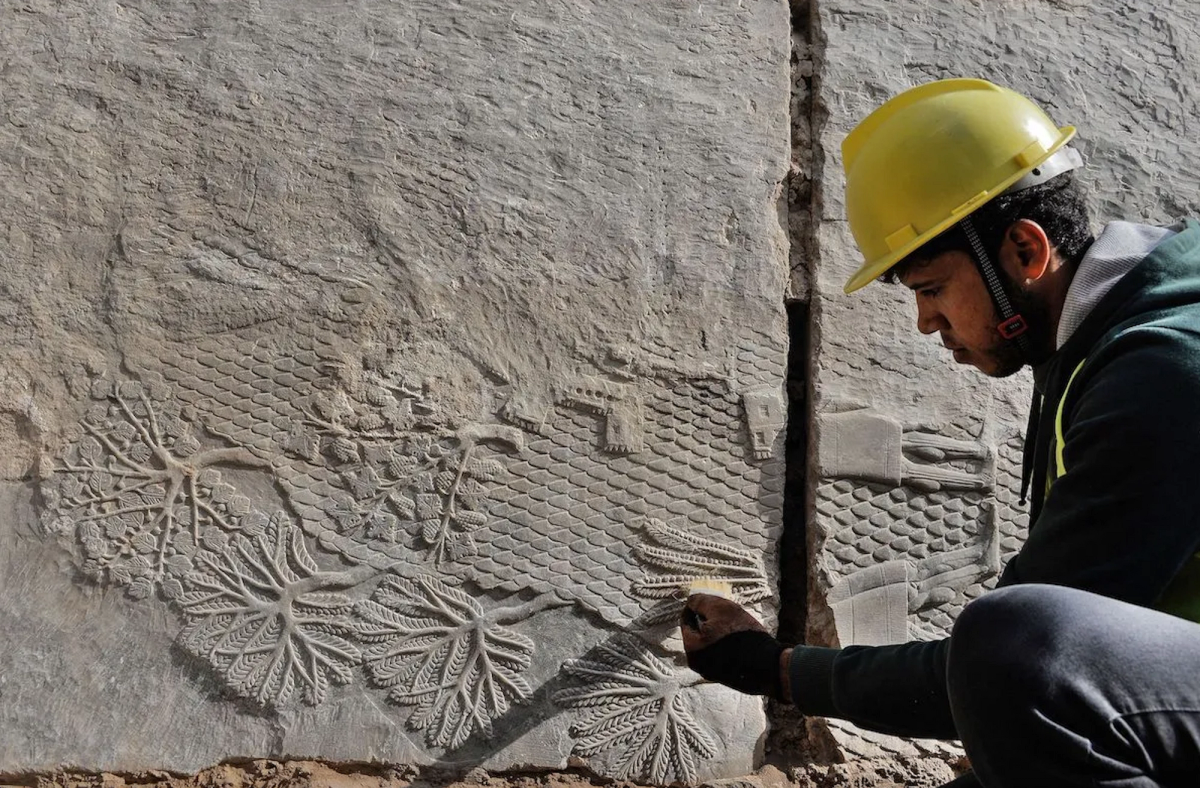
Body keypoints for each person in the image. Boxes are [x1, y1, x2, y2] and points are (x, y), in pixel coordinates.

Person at [680, 78, 1200, 787]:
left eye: (930, 288)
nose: (925, 321)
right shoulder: (1101, 339)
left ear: (1024, 249)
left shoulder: (1164, 372)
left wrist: (780, 670)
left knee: (1008, 643)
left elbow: (1022, 663)